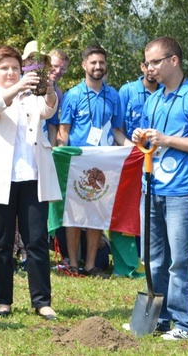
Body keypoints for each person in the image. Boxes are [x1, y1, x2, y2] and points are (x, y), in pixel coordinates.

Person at [0, 45, 60, 320]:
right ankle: (3, 299)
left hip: (32, 175)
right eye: (4, 68)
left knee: (37, 240)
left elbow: (48, 110)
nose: (10, 72)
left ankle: (41, 301)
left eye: (15, 68)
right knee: (1, 242)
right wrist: (17, 86)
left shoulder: (30, 97)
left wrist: (50, 89)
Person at [131, 36, 188, 340]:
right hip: (151, 187)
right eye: (148, 62)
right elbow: (144, 140)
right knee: (154, 258)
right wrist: (140, 136)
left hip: (181, 191)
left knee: (179, 260)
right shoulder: (153, 99)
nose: (149, 67)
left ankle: (186, 324)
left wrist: (167, 139)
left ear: (173, 61)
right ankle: (161, 318)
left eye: (155, 62)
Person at [57, 44, 129, 278]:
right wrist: (60, 157)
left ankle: (90, 265)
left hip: (104, 163)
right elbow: (64, 130)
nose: (98, 67)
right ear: (84, 65)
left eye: (102, 63)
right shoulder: (73, 95)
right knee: (75, 214)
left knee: (97, 212)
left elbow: (117, 131)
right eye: (93, 62)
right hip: (78, 162)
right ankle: (73, 263)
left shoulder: (113, 95)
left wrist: (132, 148)